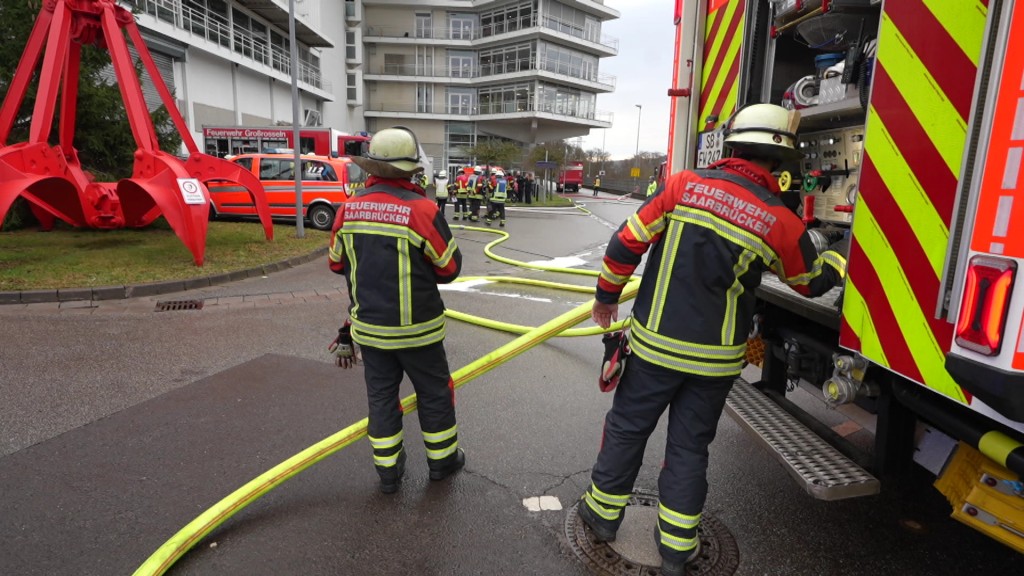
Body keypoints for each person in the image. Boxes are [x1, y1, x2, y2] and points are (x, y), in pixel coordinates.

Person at [577, 104, 847, 575]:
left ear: (732, 145)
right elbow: (808, 281)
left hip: (655, 347)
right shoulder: (779, 219)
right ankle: (678, 549)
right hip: (715, 363)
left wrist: (606, 298)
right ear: (779, 160)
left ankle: (601, 517)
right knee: (689, 446)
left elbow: (626, 243)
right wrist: (839, 260)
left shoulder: (682, 186)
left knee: (627, 428)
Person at [328, 126, 466, 494]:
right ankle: (442, 462)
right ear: (411, 169)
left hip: (370, 331)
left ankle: (388, 471)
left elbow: (336, 263)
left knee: (382, 397)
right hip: (419, 331)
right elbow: (449, 269)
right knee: (434, 394)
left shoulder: (349, 209)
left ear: (371, 167)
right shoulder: (422, 210)